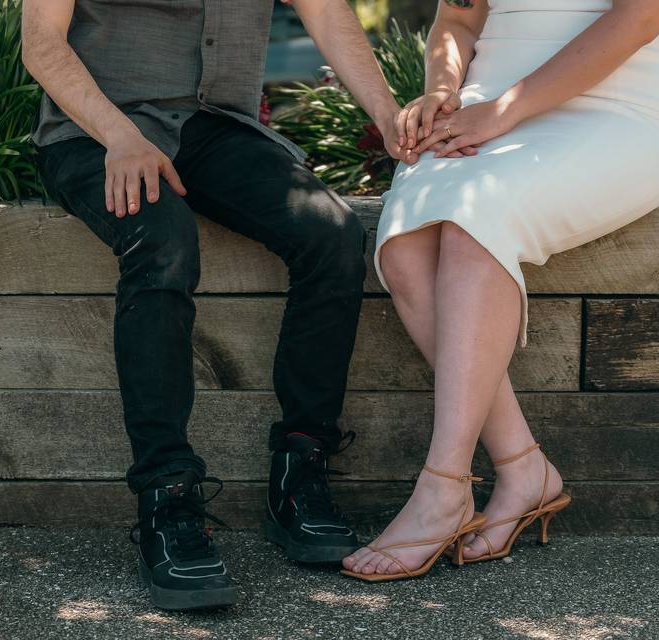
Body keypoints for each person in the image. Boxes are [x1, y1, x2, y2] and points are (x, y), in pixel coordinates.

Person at [21, 0, 407, 610]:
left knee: (332, 236)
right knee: (164, 246)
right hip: (98, 130)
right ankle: (166, 496)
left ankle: (300, 472)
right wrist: (122, 137)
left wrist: (389, 117)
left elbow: (328, 15)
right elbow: (41, 44)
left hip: (215, 129)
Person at [342, 0, 659, 581]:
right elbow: (457, 21)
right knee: (403, 246)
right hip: (479, 111)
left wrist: (505, 113)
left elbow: (639, 20)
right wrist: (443, 93)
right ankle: (524, 469)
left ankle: (444, 487)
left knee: (476, 228)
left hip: (614, 108)